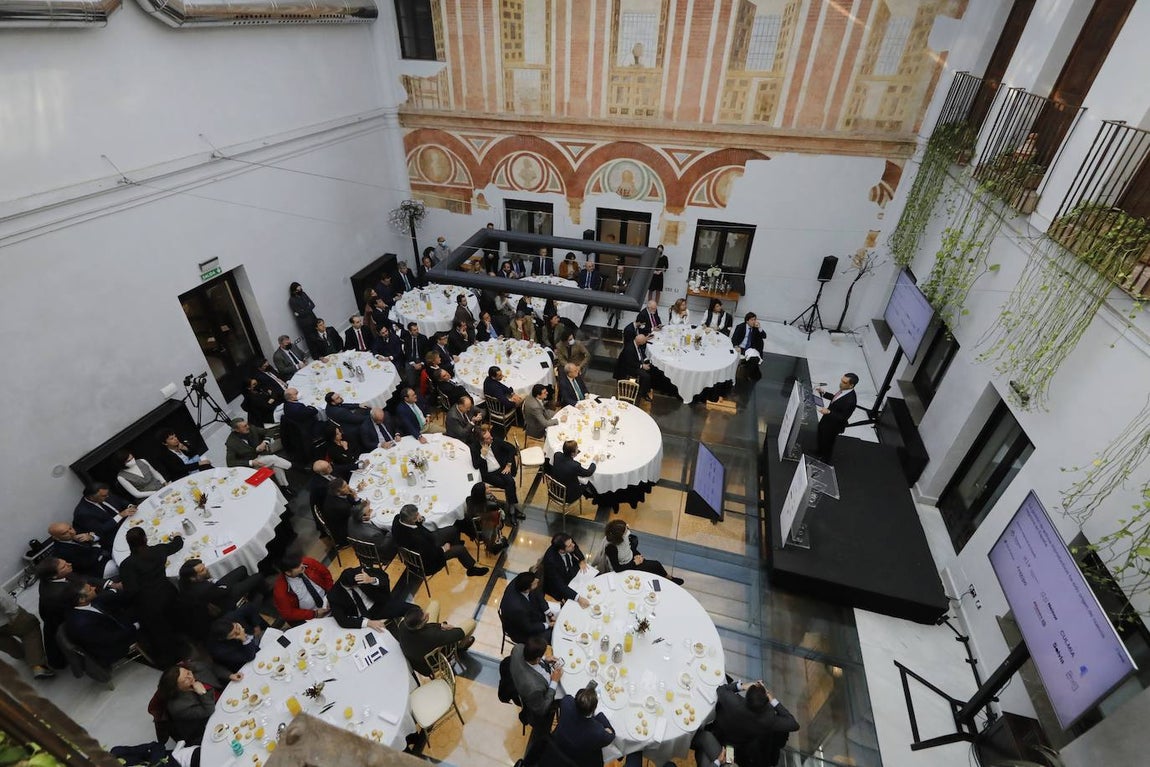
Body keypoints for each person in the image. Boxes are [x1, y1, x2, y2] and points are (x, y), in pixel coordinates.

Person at [690, 680, 800, 767]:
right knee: (720, 758)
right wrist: (771, 698)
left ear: (747, 696)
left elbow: (721, 689)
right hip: (731, 749)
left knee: (704, 746)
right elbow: (793, 724)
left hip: (720, 738)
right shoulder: (768, 720)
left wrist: (742, 686)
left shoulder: (733, 701)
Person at [120, 526, 186, 665]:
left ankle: (175, 659)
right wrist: (178, 536)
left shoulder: (127, 565)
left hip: (149, 604)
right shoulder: (158, 550)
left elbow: (131, 591)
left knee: (161, 633)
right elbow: (176, 545)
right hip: (168, 593)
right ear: (145, 539)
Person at [390, 504, 489, 577]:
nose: (419, 515)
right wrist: (443, 548)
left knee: (453, 530)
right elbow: (431, 554)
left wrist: (418, 522)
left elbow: (415, 527)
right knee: (461, 550)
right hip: (429, 561)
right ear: (412, 520)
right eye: (417, 515)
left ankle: (455, 543)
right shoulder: (417, 539)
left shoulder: (397, 519)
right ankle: (471, 569)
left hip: (428, 541)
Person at [509, 634, 564, 763]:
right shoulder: (533, 687)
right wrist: (554, 682)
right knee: (568, 698)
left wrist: (544, 659)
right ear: (537, 658)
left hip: (528, 685)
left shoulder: (518, 648)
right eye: (542, 655)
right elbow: (542, 708)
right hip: (539, 704)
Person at [155, 662, 238, 744]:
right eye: (185, 680)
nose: (190, 677)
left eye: (187, 672)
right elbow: (209, 711)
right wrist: (202, 693)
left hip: (224, 700)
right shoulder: (179, 707)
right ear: (177, 688)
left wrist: (229, 675)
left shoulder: (194, 668)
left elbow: (213, 668)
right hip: (208, 723)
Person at [64, 581, 139, 668]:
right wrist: (134, 627)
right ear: (81, 599)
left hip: (113, 626)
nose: (94, 588)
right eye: (90, 589)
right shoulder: (83, 625)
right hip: (112, 648)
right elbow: (110, 639)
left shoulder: (85, 604)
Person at [392, 604, 476, 676]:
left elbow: (427, 628)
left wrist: (440, 625)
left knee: (434, 604)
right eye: (425, 617)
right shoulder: (432, 635)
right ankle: (461, 646)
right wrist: (443, 628)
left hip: (417, 658)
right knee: (472, 623)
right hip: (430, 664)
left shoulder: (403, 625)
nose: (427, 613)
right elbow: (459, 633)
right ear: (419, 626)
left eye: (423, 612)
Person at [549, 688, 617, 767]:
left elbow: (569, 698)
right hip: (578, 758)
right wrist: (600, 716)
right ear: (593, 710)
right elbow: (611, 735)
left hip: (558, 741)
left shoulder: (566, 702)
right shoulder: (597, 731)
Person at [603, 519, 682, 583]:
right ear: (620, 536)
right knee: (655, 566)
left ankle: (669, 578)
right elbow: (617, 569)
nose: (628, 529)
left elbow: (629, 548)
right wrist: (635, 562)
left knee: (655, 566)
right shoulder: (611, 548)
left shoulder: (624, 537)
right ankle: (668, 580)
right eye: (626, 529)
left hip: (632, 559)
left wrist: (637, 554)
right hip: (626, 567)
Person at [328, 566, 407, 630]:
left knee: (412, 609)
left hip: (378, 605)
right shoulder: (333, 595)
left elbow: (384, 577)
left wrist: (371, 580)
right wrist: (368, 623)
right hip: (360, 618)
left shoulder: (361, 572)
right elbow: (342, 620)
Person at [224, 418, 293, 489]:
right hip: (251, 466)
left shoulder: (252, 428)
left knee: (276, 465)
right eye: (244, 426)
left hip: (261, 456)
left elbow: (269, 431)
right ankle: (292, 466)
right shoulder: (231, 443)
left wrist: (265, 442)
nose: (248, 427)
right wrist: (251, 462)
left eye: (247, 424)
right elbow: (230, 462)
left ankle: (284, 487)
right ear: (237, 430)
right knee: (274, 459)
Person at [0, 589, 54, 679]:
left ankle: (21, 653)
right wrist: (14, 613)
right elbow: (3, 598)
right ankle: (38, 666)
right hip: (6, 619)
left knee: (4, 642)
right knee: (30, 629)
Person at [471, 424, 520, 511]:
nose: (491, 438)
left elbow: (511, 448)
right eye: (488, 438)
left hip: (501, 468)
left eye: (490, 436)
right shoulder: (474, 448)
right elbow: (475, 465)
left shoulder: (495, 440)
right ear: (482, 441)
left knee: (510, 482)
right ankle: (513, 510)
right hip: (489, 474)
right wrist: (482, 455)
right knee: (509, 485)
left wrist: (509, 465)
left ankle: (512, 509)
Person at [272, 555, 333, 625]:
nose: (302, 565)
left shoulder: (307, 562)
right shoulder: (280, 590)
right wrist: (314, 614)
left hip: (327, 598)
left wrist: (331, 595)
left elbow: (326, 574)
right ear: (288, 572)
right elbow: (288, 613)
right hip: (308, 615)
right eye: (298, 566)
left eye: (301, 562)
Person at [499, 570, 554, 644]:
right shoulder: (517, 608)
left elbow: (538, 594)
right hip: (521, 632)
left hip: (531, 615)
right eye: (534, 582)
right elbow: (529, 628)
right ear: (527, 589)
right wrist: (548, 625)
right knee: (551, 636)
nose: (537, 580)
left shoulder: (521, 580)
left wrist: (549, 613)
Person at [46, 523, 118, 578]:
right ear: (57, 538)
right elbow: (86, 563)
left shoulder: (73, 533)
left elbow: (96, 533)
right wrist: (96, 546)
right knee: (122, 564)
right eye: (65, 533)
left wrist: (91, 537)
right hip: (96, 568)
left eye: (70, 528)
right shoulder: (61, 551)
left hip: (102, 554)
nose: (71, 532)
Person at [815, 373, 858, 463]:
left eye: (844, 382)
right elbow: (836, 398)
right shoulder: (843, 391)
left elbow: (843, 417)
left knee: (828, 442)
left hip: (834, 425)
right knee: (821, 435)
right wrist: (824, 393)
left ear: (851, 385)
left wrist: (829, 412)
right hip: (826, 420)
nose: (840, 383)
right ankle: (819, 452)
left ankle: (825, 460)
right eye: (841, 380)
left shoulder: (851, 400)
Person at [541, 533, 591, 605]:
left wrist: (581, 560)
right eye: (570, 546)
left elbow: (575, 547)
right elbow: (559, 584)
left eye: (572, 542)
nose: (573, 545)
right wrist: (578, 598)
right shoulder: (551, 562)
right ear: (561, 550)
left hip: (570, 571)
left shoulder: (567, 541)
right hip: (559, 583)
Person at [465, 482, 509, 553]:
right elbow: (499, 516)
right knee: (503, 508)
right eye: (487, 488)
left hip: (474, 527)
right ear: (482, 493)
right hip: (486, 527)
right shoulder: (491, 505)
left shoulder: (469, 499)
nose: (489, 487)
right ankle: (492, 545)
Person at [322, 477, 366, 545]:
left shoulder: (334, 493)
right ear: (338, 492)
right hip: (344, 532)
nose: (348, 487)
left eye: (346, 484)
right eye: (344, 487)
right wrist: (356, 498)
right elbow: (358, 513)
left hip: (339, 520)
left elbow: (348, 499)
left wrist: (353, 494)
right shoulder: (341, 506)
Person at [615, 333, 653, 401]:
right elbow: (630, 363)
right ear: (640, 342)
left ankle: (646, 386)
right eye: (644, 341)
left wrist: (645, 360)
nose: (645, 342)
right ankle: (643, 393)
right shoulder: (630, 349)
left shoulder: (636, 344)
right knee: (646, 376)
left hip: (636, 362)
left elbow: (640, 353)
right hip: (629, 367)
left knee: (651, 368)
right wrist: (642, 366)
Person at [731, 312, 766, 380]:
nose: (754, 322)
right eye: (752, 320)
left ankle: (746, 374)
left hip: (750, 348)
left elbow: (764, 336)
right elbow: (734, 338)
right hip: (740, 347)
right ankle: (750, 373)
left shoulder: (756, 329)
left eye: (755, 319)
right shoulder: (740, 327)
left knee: (755, 359)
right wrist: (736, 346)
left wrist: (760, 328)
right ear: (747, 321)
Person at [605, 263, 629, 328]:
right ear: (617, 270)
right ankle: (616, 319)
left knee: (618, 303)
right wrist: (620, 287)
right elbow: (610, 287)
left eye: (621, 270)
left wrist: (617, 287)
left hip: (620, 295)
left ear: (623, 271)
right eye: (618, 270)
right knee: (616, 302)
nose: (619, 271)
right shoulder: (612, 276)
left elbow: (626, 288)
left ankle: (613, 317)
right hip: (612, 294)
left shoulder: (625, 277)